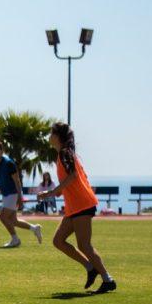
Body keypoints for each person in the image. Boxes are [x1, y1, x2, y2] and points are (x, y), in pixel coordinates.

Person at [38, 122, 116, 293]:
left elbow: (73, 176)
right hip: (74, 206)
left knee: (84, 245)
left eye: (52, 133)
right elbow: (68, 182)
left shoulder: (65, 153)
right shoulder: (62, 155)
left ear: (58, 136)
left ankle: (107, 279)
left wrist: (52, 191)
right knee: (58, 241)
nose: (49, 136)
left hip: (81, 204)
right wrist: (54, 193)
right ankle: (90, 268)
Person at [0, 141, 42, 247]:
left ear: (2, 151)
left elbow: (17, 181)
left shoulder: (9, 163)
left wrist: (20, 197)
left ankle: (15, 240)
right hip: (5, 194)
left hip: (13, 193)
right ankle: (34, 228)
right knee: (13, 220)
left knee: (3, 217)